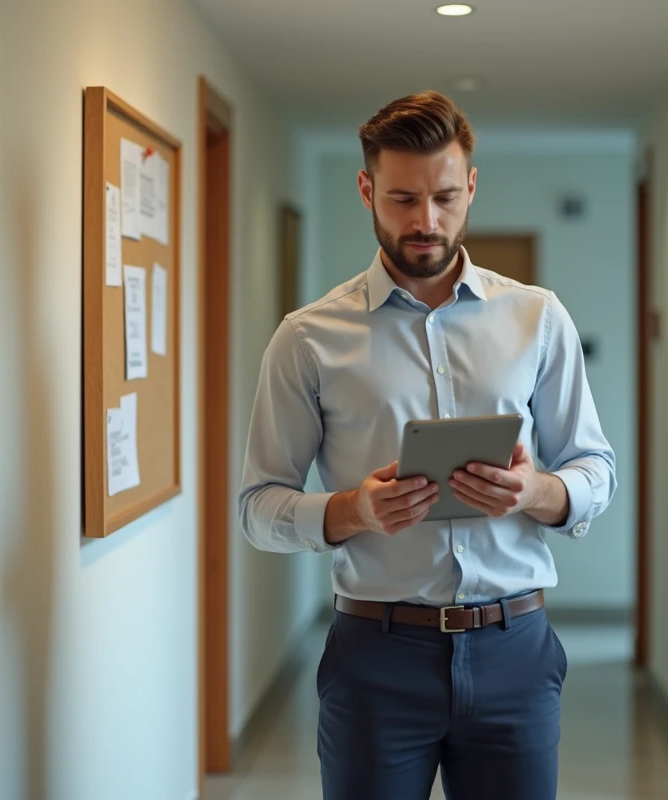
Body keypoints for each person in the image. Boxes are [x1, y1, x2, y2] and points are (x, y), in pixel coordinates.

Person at [238, 90, 617, 800]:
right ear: (366, 189)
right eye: (403, 199)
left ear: (471, 185)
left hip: (516, 650)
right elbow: (258, 506)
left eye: (445, 196)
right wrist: (353, 510)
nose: (426, 221)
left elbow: (596, 467)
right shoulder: (308, 337)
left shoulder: (538, 317)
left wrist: (536, 492)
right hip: (376, 658)